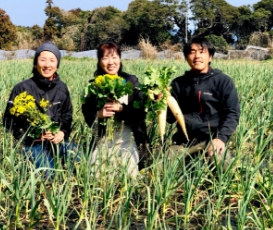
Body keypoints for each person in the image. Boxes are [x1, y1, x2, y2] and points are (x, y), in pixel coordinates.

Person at [3, 41, 79, 177]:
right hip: (33, 143)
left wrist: (62, 133)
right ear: (35, 63)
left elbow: (67, 115)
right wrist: (34, 136)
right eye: (43, 60)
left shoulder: (62, 88)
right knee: (48, 175)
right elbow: (8, 121)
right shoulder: (22, 88)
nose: (47, 65)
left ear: (57, 65)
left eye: (52, 60)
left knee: (81, 163)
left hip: (56, 140)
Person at [167, 37, 240, 169]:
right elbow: (170, 118)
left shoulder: (223, 81)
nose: (197, 56)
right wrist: (160, 102)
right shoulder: (178, 84)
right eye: (192, 52)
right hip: (184, 142)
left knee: (222, 164)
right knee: (162, 168)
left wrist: (221, 138)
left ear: (210, 57)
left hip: (212, 140)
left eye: (202, 52)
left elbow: (232, 113)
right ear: (186, 57)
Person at [82, 42, 150, 178]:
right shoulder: (94, 85)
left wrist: (122, 109)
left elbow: (141, 113)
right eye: (105, 58)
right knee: (95, 174)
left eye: (114, 57)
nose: (111, 62)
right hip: (104, 138)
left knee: (129, 174)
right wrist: (98, 115)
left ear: (120, 59)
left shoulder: (131, 81)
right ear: (99, 61)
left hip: (128, 136)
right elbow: (87, 115)